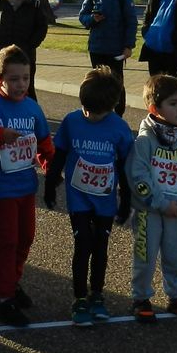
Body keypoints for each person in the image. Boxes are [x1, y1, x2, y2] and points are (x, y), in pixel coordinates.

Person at [42, 67, 135, 327]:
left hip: (105, 200)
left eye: (96, 112)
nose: (89, 115)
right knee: (83, 244)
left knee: (100, 248)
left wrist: (125, 200)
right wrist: (50, 184)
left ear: (113, 106)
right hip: (79, 197)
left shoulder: (119, 128)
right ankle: (80, 297)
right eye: (85, 109)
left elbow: (125, 166)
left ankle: (97, 294)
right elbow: (59, 154)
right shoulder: (72, 121)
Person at [0, 45, 54, 327]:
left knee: (26, 239)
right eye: (14, 79)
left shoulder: (32, 107)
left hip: (26, 187)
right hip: (0, 189)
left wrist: (51, 168)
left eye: (26, 78)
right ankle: (4, 297)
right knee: (7, 242)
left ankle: (14, 281)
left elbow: (44, 143)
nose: (21, 84)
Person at [126, 74, 177, 324]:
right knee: (145, 256)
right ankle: (141, 297)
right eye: (173, 103)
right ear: (154, 108)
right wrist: (161, 203)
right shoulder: (144, 141)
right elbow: (138, 176)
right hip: (149, 211)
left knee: (176, 255)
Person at [77, 0, 136, 115]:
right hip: (97, 48)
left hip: (115, 49)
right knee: (97, 83)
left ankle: (118, 114)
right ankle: (99, 112)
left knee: (116, 84)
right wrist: (92, 19)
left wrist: (129, 45)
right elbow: (82, 16)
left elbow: (131, 22)